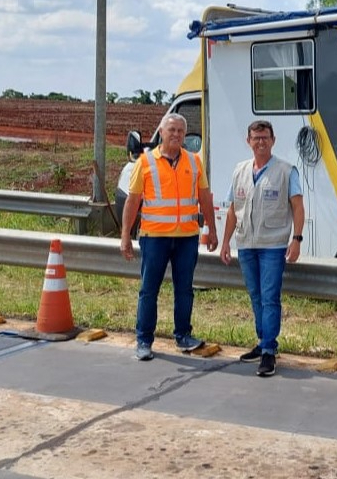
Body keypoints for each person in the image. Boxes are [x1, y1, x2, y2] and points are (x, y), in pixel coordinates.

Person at [120, 113, 217, 361]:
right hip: (155, 238)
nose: (176, 135)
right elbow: (132, 201)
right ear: (161, 133)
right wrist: (125, 236)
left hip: (186, 238)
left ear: (185, 135)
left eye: (181, 131)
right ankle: (144, 340)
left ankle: (183, 336)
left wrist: (212, 229)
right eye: (171, 130)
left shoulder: (194, 162)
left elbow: (205, 197)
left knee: (184, 290)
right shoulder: (145, 162)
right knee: (148, 290)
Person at [220, 120, 304, 377]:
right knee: (256, 296)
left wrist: (296, 239)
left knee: (269, 297)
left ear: (273, 140)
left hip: (273, 245)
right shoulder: (240, 171)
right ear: (248, 141)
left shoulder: (286, 171)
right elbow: (234, 209)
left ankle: (269, 350)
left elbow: (298, 207)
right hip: (246, 244)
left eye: (265, 137)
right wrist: (226, 242)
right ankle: (262, 341)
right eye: (255, 138)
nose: (260, 142)